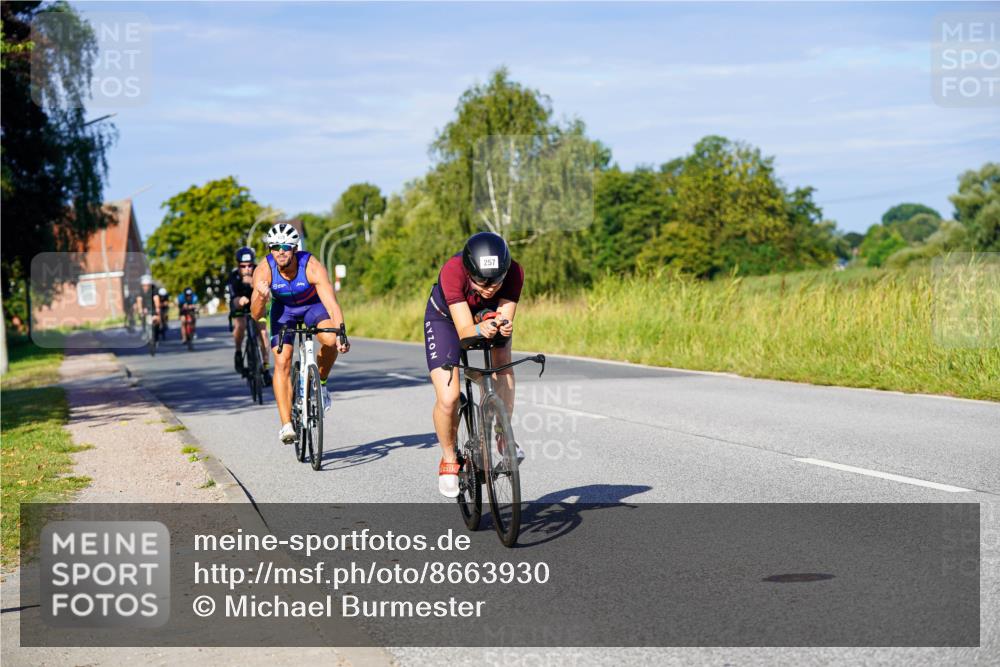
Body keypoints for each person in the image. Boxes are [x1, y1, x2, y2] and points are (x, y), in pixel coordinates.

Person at [424, 232, 524, 497]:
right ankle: (448, 459)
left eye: (497, 279)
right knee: (449, 397)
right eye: (482, 280)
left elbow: (504, 315)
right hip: (446, 320)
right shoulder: (452, 272)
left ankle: (504, 437)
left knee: (503, 364)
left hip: (486, 314)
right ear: (469, 272)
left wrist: (501, 324)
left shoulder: (514, 272)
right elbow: (465, 331)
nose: (490, 286)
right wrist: (480, 328)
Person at [250, 223, 350, 445]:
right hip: (282, 310)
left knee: (330, 339)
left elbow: (332, 305)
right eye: (275, 246)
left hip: (312, 306)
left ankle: (321, 383)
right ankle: (286, 425)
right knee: (282, 359)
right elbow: (255, 315)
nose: (280, 251)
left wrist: (342, 332)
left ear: (295, 248)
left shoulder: (312, 266)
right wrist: (261, 297)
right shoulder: (263, 270)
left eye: (286, 246)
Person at [227, 246, 271, 379]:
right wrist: (240, 300)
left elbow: (267, 293)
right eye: (243, 266)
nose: (247, 269)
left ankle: (266, 368)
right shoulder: (233, 276)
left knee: (263, 334)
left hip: (257, 306)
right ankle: (238, 352)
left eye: (249, 266)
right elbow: (233, 298)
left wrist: (254, 283)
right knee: (240, 326)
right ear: (238, 266)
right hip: (240, 306)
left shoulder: (259, 272)